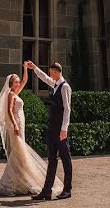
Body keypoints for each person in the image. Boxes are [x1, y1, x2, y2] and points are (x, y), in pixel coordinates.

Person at [0, 66, 62, 197]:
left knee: (19, 152)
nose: (18, 84)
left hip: (21, 122)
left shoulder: (15, 93)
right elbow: (9, 111)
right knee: (19, 152)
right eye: (15, 82)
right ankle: (11, 181)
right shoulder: (10, 95)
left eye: (18, 82)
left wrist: (25, 68)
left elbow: (25, 81)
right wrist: (15, 125)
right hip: (17, 124)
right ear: (11, 84)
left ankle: (21, 180)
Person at [25, 60, 72, 201]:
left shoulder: (65, 87)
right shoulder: (56, 85)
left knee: (66, 159)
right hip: (52, 128)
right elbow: (45, 78)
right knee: (52, 159)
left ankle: (67, 190)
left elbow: (67, 109)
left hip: (60, 129)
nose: (51, 76)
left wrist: (64, 129)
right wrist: (34, 68)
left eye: (52, 73)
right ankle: (46, 191)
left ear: (57, 72)